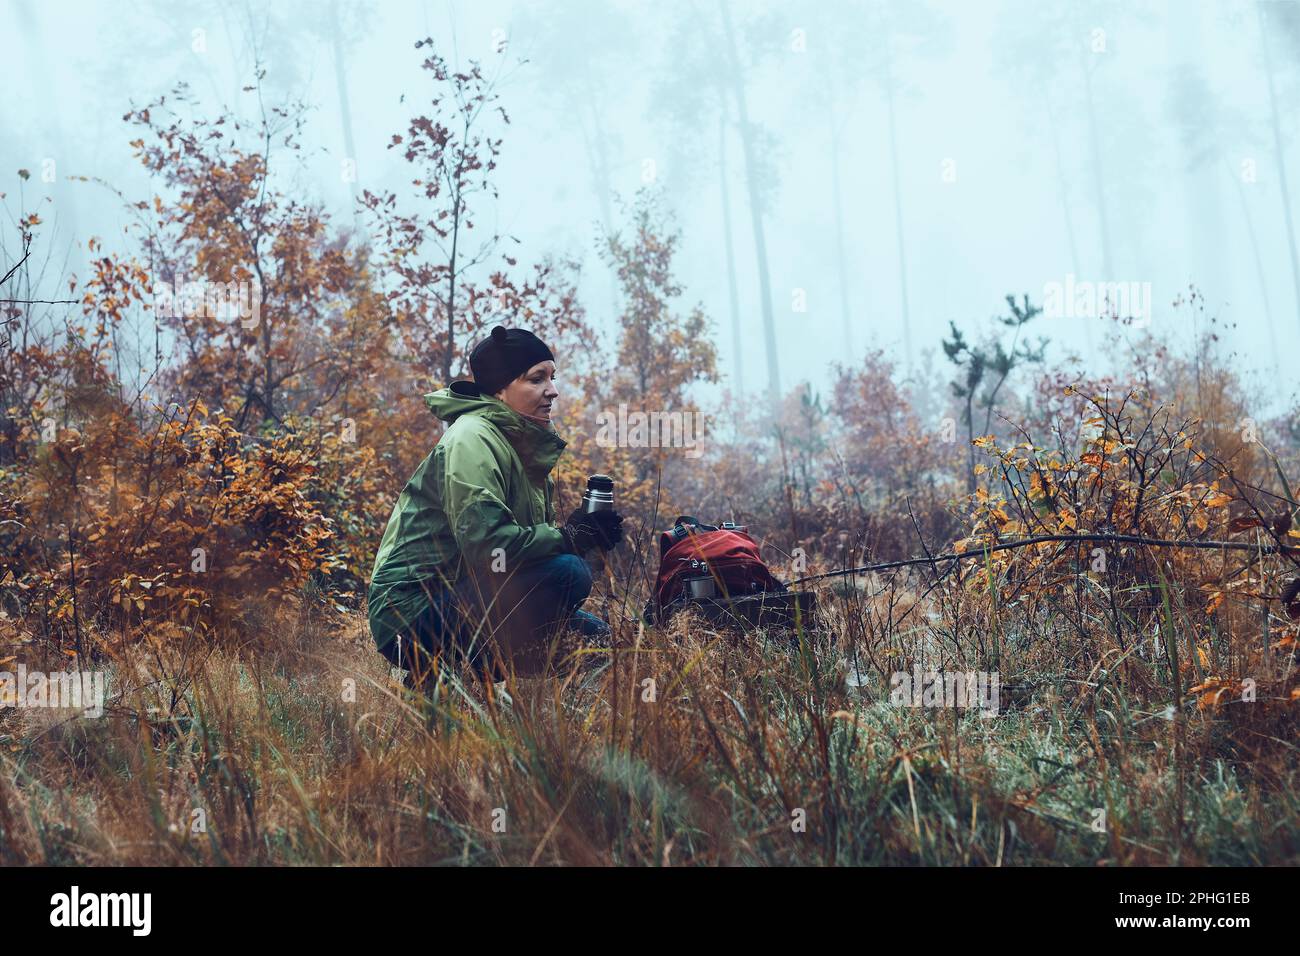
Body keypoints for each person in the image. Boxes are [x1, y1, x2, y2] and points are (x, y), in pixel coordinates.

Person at [368, 325, 625, 685]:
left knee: (599, 643)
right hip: (410, 613)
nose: (553, 390)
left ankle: (455, 674)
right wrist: (566, 539)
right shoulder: (472, 438)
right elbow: (489, 550)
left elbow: (524, 556)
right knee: (569, 572)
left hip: (463, 595)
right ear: (500, 389)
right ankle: (450, 671)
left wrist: (584, 537)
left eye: (552, 378)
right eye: (537, 379)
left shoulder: (520, 446)